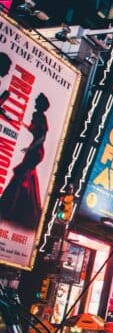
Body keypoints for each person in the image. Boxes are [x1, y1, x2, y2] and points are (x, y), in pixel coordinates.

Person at [0, 93, 50, 230]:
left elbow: (42, 137)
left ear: (40, 104)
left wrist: (30, 147)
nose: (34, 103)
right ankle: (17, 209)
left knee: (22, 176)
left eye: (36, 101)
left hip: (36, 151)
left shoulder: (39, 116)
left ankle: (14, 209)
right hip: (34, 150)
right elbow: (36, 132)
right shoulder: (37, 115)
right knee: (25, 177)